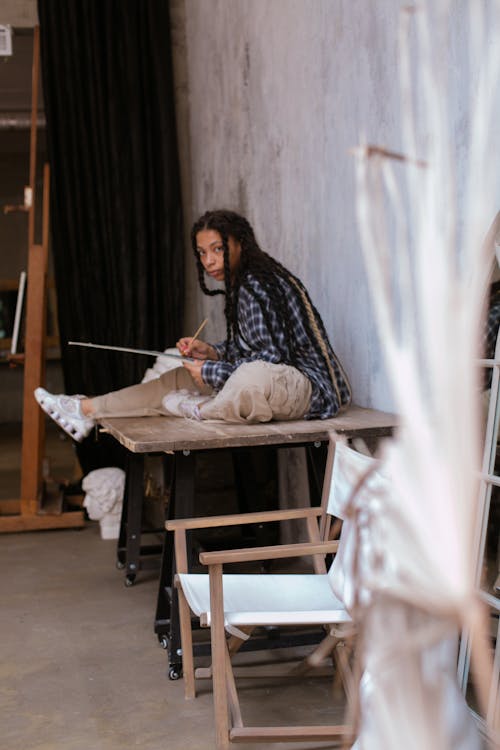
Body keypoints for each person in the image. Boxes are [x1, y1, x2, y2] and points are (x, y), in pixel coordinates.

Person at [35, 209, 352, 441]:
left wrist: (212, 372)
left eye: (218, 249)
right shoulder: (244, 284)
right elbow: (251, 348)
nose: (209, 261)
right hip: (275, 382)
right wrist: (211, 352)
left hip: (313, 391)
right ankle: (85, 410)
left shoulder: (256, 285)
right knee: (174, 378)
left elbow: (273, 361)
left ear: (240, 243)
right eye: (202, 253)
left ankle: (200, 408)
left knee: (249, 379)